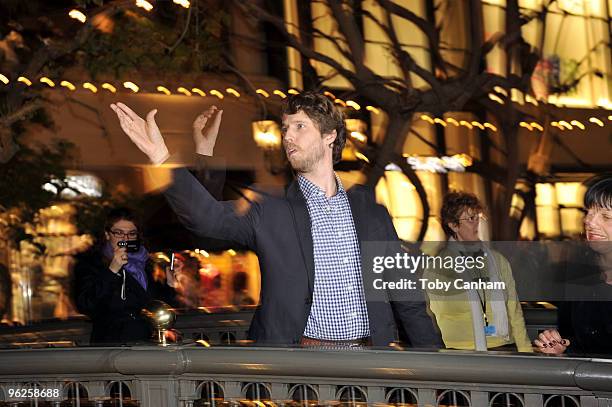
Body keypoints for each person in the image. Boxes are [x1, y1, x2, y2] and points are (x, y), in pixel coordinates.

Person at [110, 92, 443, 348]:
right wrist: (161, 157)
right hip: (299, 365)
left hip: (372, 363)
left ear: (330, 136)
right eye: (285, 128)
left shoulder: (372, 212)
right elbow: (206, 220)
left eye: (300, 127)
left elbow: (409, 300)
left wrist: (440, 370)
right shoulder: (269, 207)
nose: (288, 137)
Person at [424, 191, 532, 352]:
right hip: (458, 352)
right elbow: (432, 314)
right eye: (470, 219)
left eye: (478, 217)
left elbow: (514, 311)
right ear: (453, 225)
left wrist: (526, 351)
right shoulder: (438, 266)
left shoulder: (498, 260)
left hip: (502, 347)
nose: (477, 223)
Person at [534, 175, 612, 356]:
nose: (589, 222)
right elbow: (577, 338)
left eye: (606, 216)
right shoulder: (578, 274)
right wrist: (561, 346)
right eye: (588, 212)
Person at [74, 207, 174, 344]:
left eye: (131, 234)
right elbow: (86, 304)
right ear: (108, 234)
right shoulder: (92, 263)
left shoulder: (146, 262)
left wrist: (170, 284)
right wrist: (112, 270)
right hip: (113, 346)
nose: (126, 239)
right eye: (119, 233)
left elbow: (154, 305)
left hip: (146, 344)